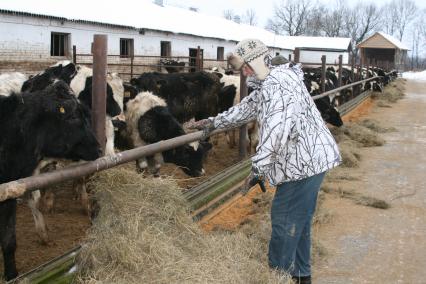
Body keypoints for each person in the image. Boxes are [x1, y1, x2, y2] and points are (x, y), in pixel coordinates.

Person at [188, 38, 341, 284]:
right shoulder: (271, 82)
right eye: (242, 68)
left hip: (302, 163)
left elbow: (275, 131)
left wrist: (258, 169)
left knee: (284, 223)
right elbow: (248, 108)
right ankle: (301, 276)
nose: (245, 71)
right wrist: (215, 122)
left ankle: (277, 278)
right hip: (308, 159)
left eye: (247, 65)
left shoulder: (278, 85)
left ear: (259, 60)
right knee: (297, 223)